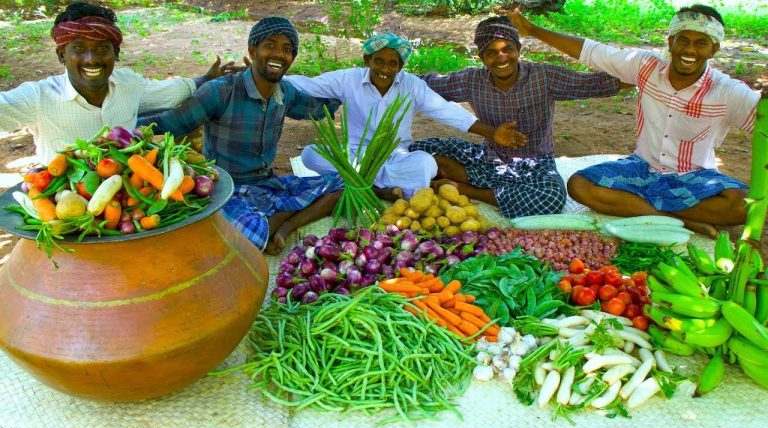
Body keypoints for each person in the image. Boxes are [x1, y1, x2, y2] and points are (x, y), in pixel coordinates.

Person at [508, 5, 761, 236]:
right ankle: (678, 220)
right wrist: (531, 30)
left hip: (693, 178)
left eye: (701, 43)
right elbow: (592, 52)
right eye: (682, 40)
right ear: (671, 42)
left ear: (713, 48)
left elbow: (764, 127)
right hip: (642, 169)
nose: (690, 50)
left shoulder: (729, 91)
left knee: (744, 203)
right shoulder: (646, 66)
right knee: (579, 185)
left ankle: (647, 209)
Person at [139, 17, 343, 254]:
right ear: (253, 50)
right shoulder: (221, 92)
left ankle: (284, 226)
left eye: (287, 49)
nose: (279, 54)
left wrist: (349, 92)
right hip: (227, 189)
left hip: (267, 185)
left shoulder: (285, 92)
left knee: (341, 184)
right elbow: (168, 123)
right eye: (270, 45)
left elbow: (318, 110)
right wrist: (124, 128)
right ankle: (273, 222)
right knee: (250, 239)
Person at [410, 16, 623, 218]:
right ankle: (463, 175)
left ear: (518, 50)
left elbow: (595, 84)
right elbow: (421, 86)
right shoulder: (471, 80)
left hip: (535, 163)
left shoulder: (543, 77)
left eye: (507, 49)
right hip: (487, 156)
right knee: (413, 149)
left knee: (552, 196)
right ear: (482, 57)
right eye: (491, 52)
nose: (501, 57)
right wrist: (383, 75)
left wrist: (643, 73)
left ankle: (466, 188)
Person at [284, 33, 526, 199]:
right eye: (379, 61)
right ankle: (384, 189)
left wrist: (492, 133)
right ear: (367, 60)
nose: (385, 69)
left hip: (394, 156)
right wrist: (264, 76)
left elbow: (446, 110)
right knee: (310, 155)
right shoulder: (347, 78)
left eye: (393, 63)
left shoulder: (411, 84)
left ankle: (366, 183)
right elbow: (307, 85)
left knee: (425, 163)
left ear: (400, 66)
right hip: (354, 154)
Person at [0, 1, 235, 165]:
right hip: (63, 208)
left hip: (124, 202)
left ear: (116, 53)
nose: (91, 59)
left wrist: (205, 79)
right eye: (78, 49)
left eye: (102, 49)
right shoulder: (38, 97)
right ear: (62, 55)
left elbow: (171, 92)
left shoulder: (128, 85)